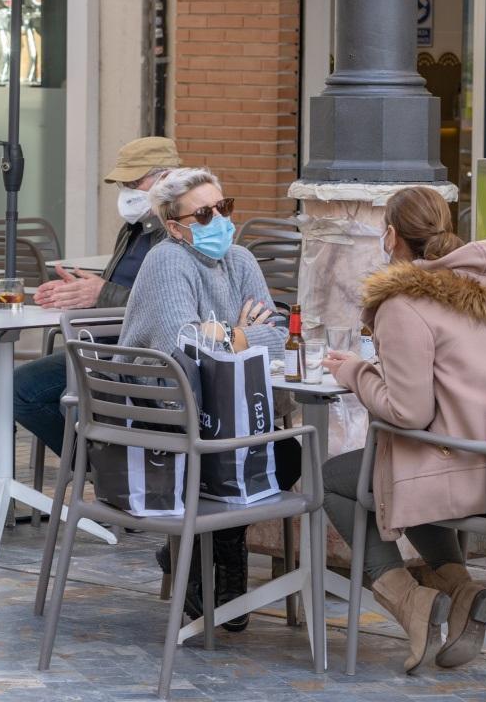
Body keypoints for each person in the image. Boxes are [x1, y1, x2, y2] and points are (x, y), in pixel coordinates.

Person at [321, 186, 486, 673]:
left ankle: (412, 601)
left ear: (390, 236)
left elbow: (408, 413)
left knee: (339, 480)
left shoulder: (404, 305)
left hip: (475, 471)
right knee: (405, 467)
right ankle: (461, 590)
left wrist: (354, 372)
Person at [118, 167, 303, 632]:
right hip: (168, 421)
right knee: (261, 449)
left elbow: (281, 335)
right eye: (204, 213)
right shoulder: (167, 261)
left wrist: (233, 334)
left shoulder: (239, 260)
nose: (220, 219)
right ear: (174, 225)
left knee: (285, 453)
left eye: (225, 207)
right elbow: (186, 345)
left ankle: (218, 552)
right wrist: (243, 334)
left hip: (226, 415)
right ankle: (216, 563)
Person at [13, 137, 177, 454]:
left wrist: (101, 292)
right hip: (100, 348)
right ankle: (101, 464)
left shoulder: (174, 233)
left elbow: (166, 308)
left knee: (23, 390)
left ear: (166, 178)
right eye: (123, 183)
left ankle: (103, 465)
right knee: (19, 388)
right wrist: (80, 288)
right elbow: (123, 286)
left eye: (134, 181)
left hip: (137, 357)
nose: (127, 190)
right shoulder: (135, 227)